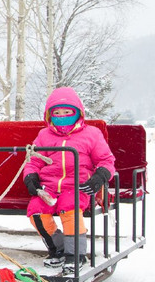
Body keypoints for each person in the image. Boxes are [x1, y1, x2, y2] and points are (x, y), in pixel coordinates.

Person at [22, 87, 116, 268]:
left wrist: (99, 177)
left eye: (67, 112)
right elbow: (34, 161)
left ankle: (76, 254)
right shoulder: (44, 135)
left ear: (78, 112)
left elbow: (106, 160)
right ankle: (58, 248)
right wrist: (31, 177)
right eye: (57, 112)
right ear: (50, 115)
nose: (62, 116)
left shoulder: (91, 134)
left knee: (69, 209)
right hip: (49, 187)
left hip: (77, 186)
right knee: (36, 211)